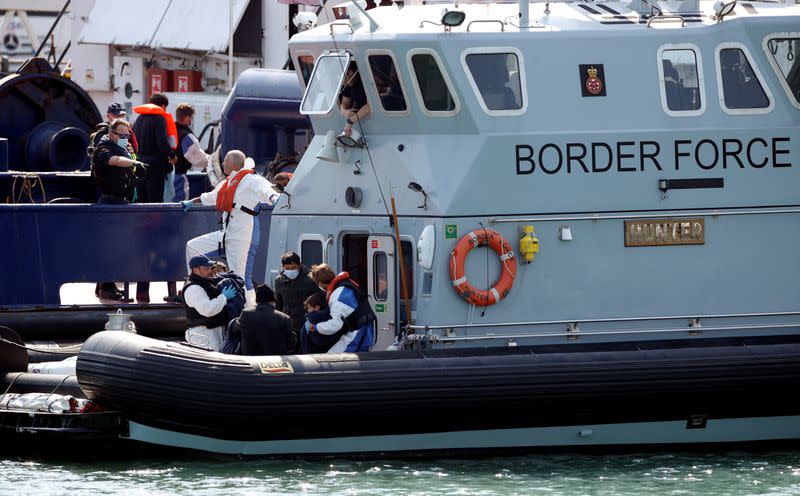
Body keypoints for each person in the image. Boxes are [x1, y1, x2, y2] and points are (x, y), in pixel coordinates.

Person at [182, 150, 280, 307]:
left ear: (234, 164)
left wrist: (274, 198)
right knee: (192, 246)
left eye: (225, 162)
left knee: (239, 276)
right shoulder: (228, 183)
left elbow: (267, 190)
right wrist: (192, 202)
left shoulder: (251, 180)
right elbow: (210, 197)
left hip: (242, 233)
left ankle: (248, 310)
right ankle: (197, 285)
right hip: (227, 232)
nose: (222, 164)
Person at [91, 118, 148, 301]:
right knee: (110, 245)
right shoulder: (103, 149)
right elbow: (113, 161)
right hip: (110, 202)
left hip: (121, 201)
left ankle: (103, 285)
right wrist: (132, 163)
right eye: (121, 135)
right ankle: (107, 287)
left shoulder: (123, 148)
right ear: (111, 134)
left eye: (127, 135)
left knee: (117, 245)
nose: (125, 138)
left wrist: (132, 158)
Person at [132, 93, 178, 303]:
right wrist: (171, 155)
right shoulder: (159, 118)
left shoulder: (139, 119)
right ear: (162, 105)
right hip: (155, 166)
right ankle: (155, 223)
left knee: (142, 200)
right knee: (156, 202)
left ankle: (145, 222)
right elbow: (161, 142)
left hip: (140, 164)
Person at [307, 264, 376, 353]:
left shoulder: (338, 296)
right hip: (363, 328)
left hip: (359, 332)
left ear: (320, 283)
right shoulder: (344, 286)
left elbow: (335, 325)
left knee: (332, 359)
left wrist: (315, 327)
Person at [182, 255, 237, 351]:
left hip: (212, 333)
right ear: (196, 270)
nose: (209, 271)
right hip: (203, 336)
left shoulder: (206, 283)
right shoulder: (193, 288)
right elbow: (208, 309)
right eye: (206, 268)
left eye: (210, 268)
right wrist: (223, 297)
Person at [274, 251, 323, 352]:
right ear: (282, 267)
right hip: (289, 326)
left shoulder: (310, 279)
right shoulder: (279, 281)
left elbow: (320, 298)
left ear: (299, 265)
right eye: (287, 268)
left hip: (307, 324)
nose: (290, 271)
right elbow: (278, 304)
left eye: (293, 268)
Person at [232, 284, 296, 356]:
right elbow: (291, 344)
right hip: (276, 363)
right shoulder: (285, 318)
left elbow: (234, 330)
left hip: (251, 361)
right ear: (272, 301)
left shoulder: (246, 314)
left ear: (257, 301)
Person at [173, 103, 209, 201]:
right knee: (180, 206)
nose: (191, 121)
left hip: (166, 177)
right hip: (178, 177)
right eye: (191, 118)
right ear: (187, 118)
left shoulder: (170, 131)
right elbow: (198, 158)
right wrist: (213, 161)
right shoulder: (187, 136)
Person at [339, 62, 371, 138]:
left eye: (343, 77)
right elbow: (345, 102)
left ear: (350, 72)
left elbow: (371, 106)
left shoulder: (365, 81)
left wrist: (350, 121)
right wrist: (344, 111)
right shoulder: (348, 84)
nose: (343, 83)